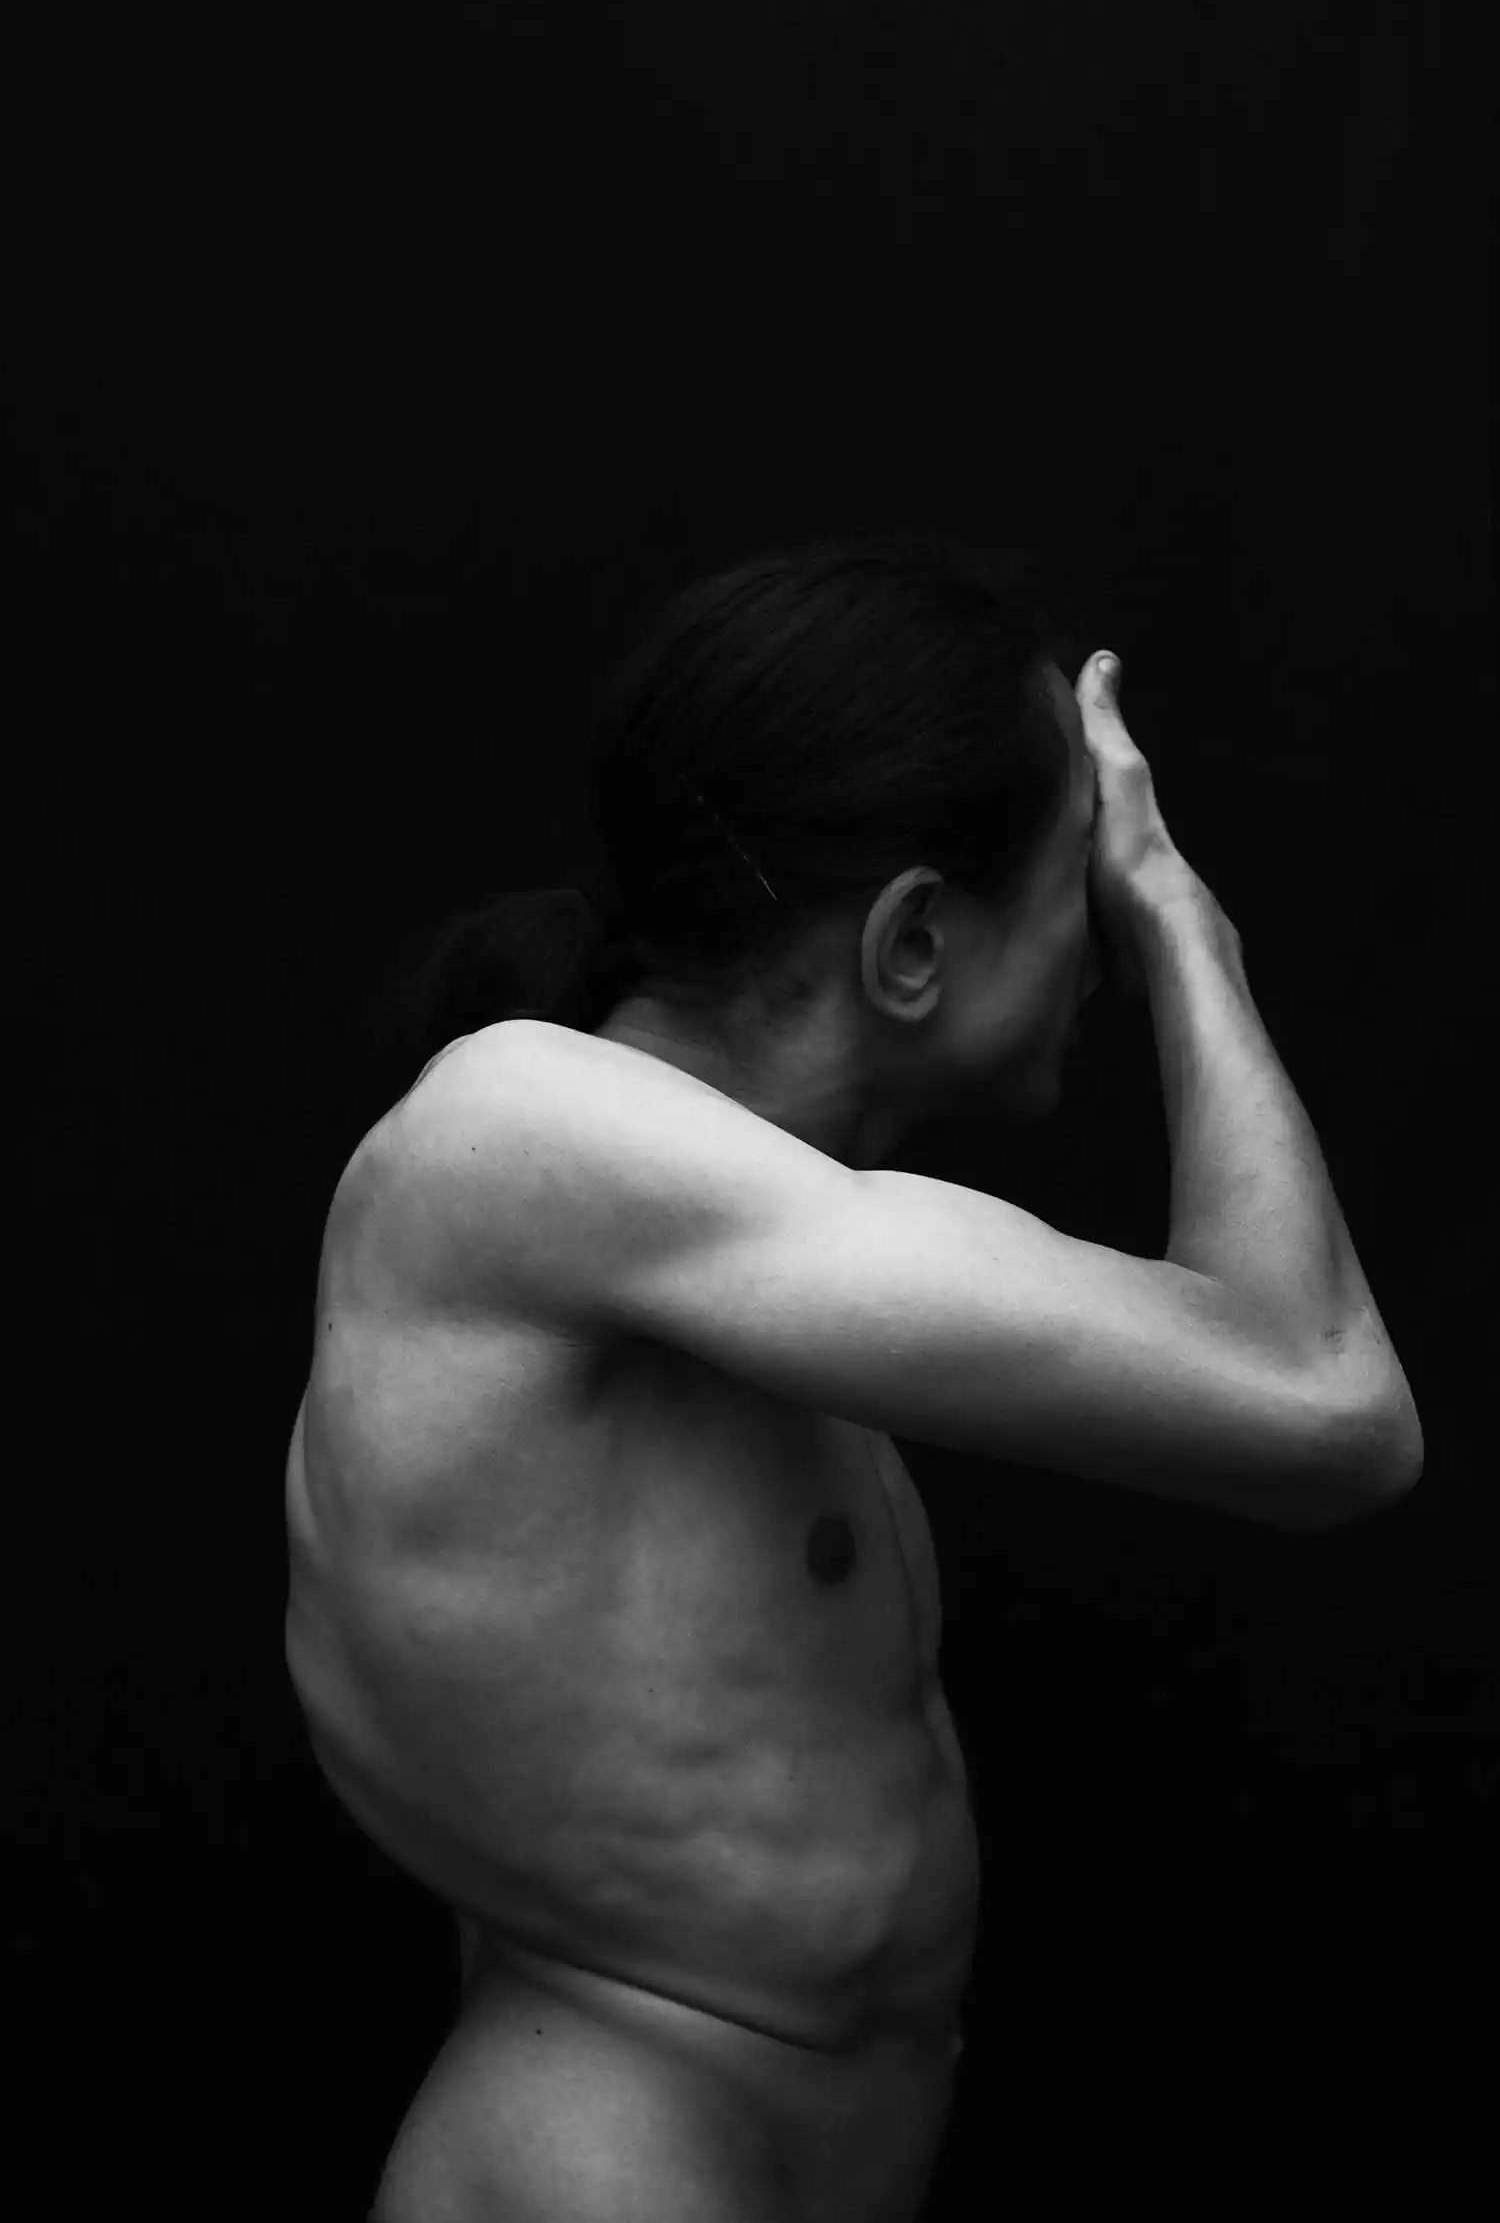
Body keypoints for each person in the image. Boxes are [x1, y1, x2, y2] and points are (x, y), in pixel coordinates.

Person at [284, 535, 1420, 2221]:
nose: (1104, 942)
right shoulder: (513, 1127)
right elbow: (1326, 1399)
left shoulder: (749, 1244)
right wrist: (1193, 927)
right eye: (1086, 885)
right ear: (912, 943)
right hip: (601, 2160)